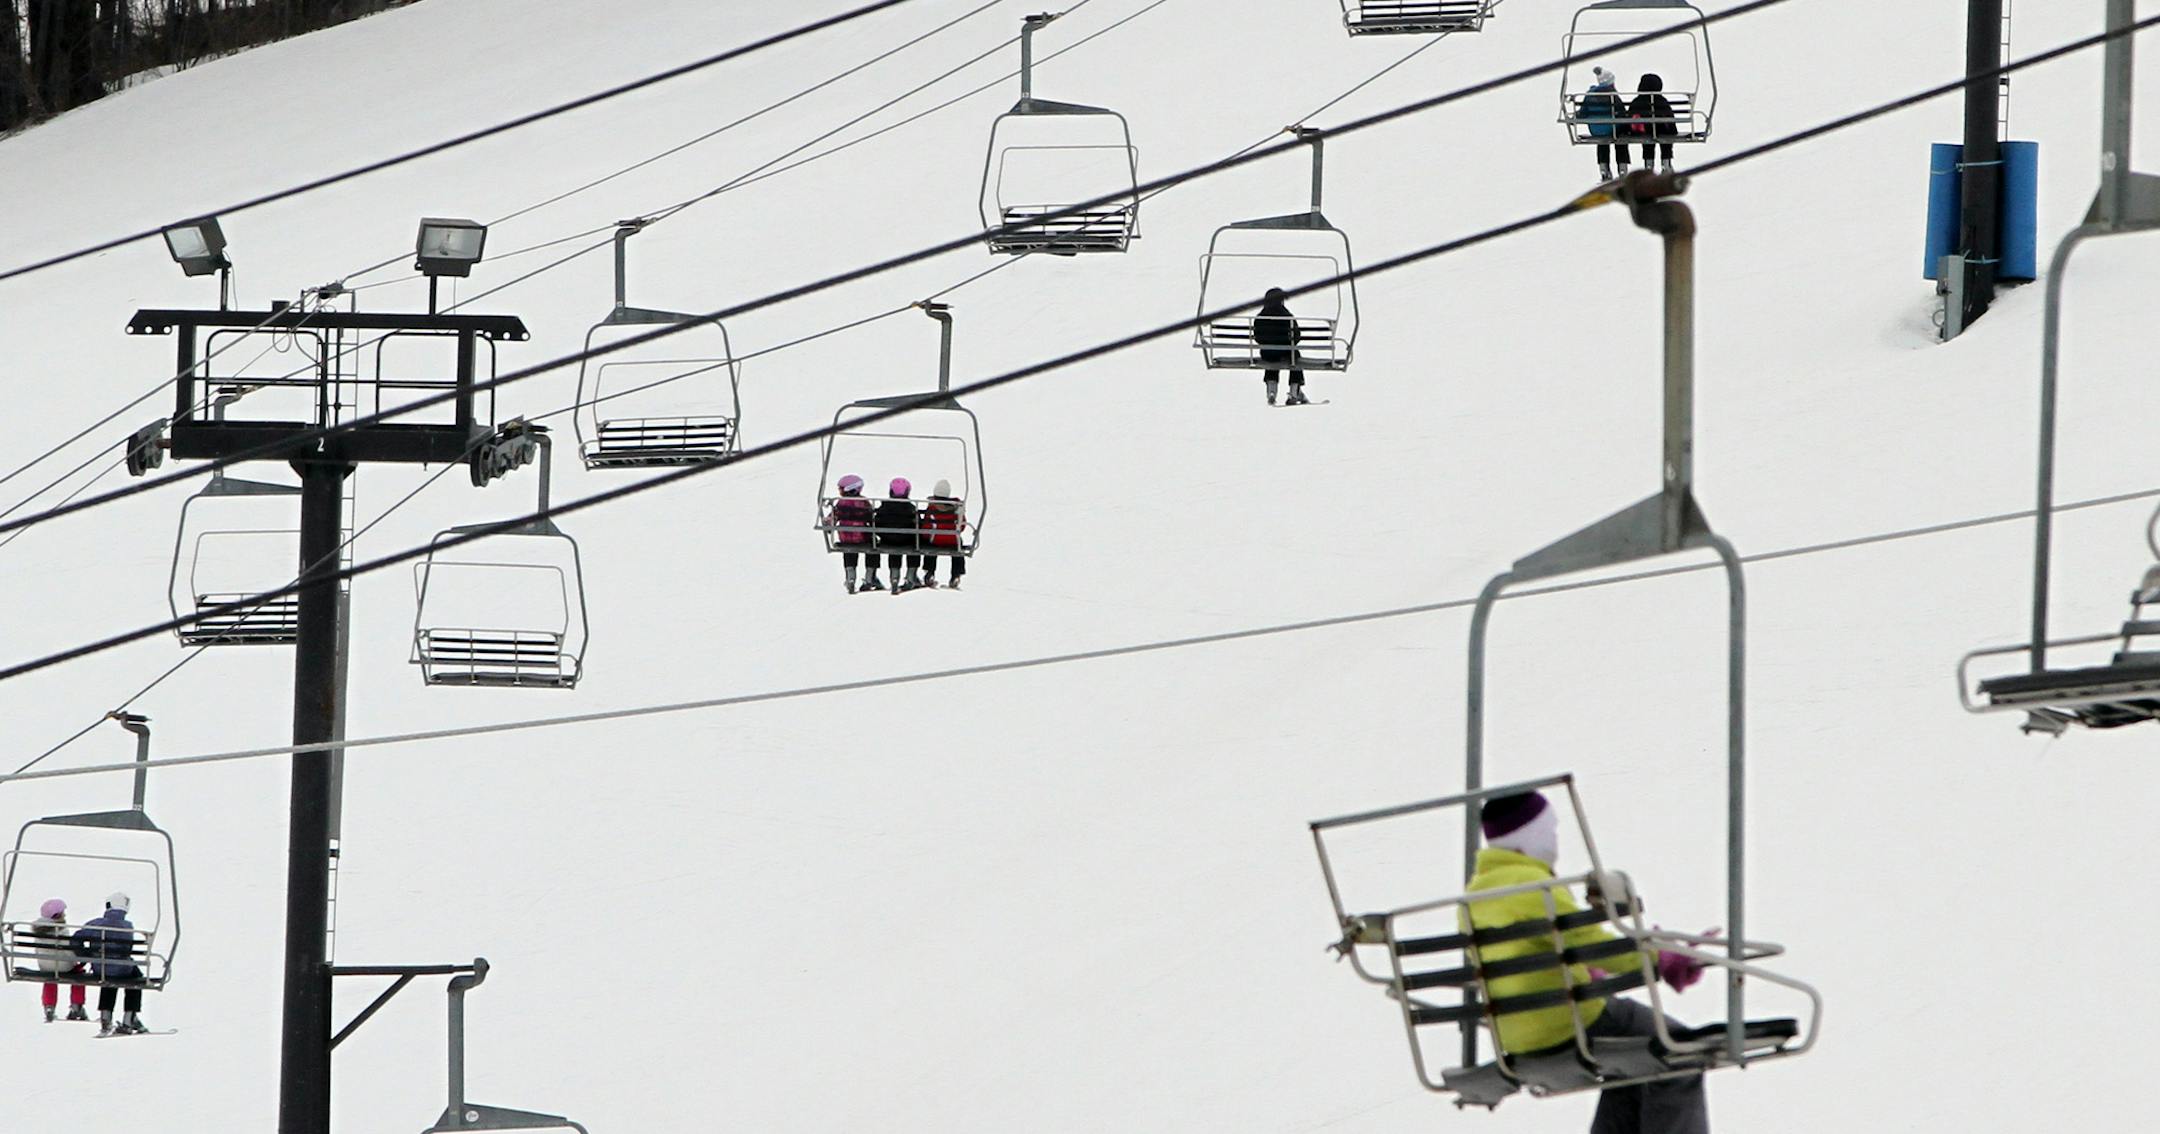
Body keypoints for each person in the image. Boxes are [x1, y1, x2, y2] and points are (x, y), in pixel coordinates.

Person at [1467, 791, 1711, 1134]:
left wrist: (1586, 973)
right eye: (1548, 833)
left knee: (1633, 1062)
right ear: (1526, 839)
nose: (1554, 844)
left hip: (1517, 1035)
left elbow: (1520, 957)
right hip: (1569, 1022)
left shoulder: (1473, 897)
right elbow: (1588, 944)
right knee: (1680, 1048)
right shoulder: (1535, 886)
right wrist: (1663, 958)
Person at [71, 892, 148, 1036]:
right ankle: (129, 1019)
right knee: (135, 977)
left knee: (108, 975)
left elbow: (75, 939)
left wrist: (86, 956)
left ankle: (106, 1019)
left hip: (100, 968)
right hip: (122, 970)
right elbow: (127, 950)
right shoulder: (127, 926)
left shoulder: (96, 923)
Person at [29, 897, 88, 1023]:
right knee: (79, 974)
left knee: (50, 979)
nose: (65, 914)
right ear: (57, 915)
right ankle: (77, 1006)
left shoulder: (38, 931)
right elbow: (68, 950)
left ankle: (49, 1007)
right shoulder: (61, 929)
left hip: (46, 966)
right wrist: (77, 961)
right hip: (64, 967)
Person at [1253, 287, 1309, 406]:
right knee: (1295, 356)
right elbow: (1297, 336)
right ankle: (1294, 389)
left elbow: (1257, 337)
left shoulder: (1260, 317)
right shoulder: (1287, 316)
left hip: (1267, 353)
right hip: (1286, 351)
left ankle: (1272, 390)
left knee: (1271, 358)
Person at [828, 474, 880, 593]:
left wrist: (828, 523)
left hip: (845, 537)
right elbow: (871, 519)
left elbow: (834, 516)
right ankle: (869, 577)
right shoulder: (863, 502)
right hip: (862, 537)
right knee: (873, 546)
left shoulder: (841, 503)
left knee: (849, 551)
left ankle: (850, 577)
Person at [875, 477, 922, 593]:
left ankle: (894, 577)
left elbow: (877, 523)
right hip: (908, 540)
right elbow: (918, 525)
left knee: (894, 548)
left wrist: (883, 534)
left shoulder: (884, 507)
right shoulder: (911, 508)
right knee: (915, 544)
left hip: (888, 539)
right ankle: (911, 576)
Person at [919, 479, 967, 590]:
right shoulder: (956, 508)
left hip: (935, 540)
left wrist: (925, 537)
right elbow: (962, 526)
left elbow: (926, 527)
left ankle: (929, 572)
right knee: (958, 545)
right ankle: (956, 575)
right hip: (952, 541)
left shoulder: (932, 508)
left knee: (929, 545)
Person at [1581, 66, 1627, 181]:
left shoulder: (1589, 96)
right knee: (1621, 136)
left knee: (1602, 139)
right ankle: (1622, 168)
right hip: (1612, 129)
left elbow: (1582, 113)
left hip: (1596, 129)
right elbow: (1622, 113)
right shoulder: (1613, 96)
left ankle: (1604, 168)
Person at [1629, 72, 1679, 175]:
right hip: (1662, 130)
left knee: (1647, 142)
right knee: (1666, 141)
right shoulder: (1662, 101)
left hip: (1643, 131)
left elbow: (1630, 116)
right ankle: (1666, 162)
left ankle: (1648, 165)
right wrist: (1673, 130)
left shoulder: (1637, 101)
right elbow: (1670, 118)